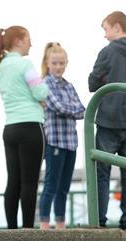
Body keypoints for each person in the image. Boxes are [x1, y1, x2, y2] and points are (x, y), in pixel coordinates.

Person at [88, 11, 126, 238]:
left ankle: (100, 224)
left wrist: (107, 80)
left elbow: (93, 82)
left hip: (109, 120)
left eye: (105, 29)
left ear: (116, 27)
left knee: (102, 173)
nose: (104, 35)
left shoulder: (108, 51)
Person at [0, 26, 48, 229]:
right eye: (29, 39)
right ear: (19, 41)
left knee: (13, 180)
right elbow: (40, 92)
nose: (31, 43)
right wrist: (42, 94)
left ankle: (11, 231)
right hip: (31, 126)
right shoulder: (25, 64)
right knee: (29, 182)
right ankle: (28, 231)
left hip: (10, 128)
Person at [38, 43, 85, 230]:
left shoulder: (69, 86)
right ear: (48, 63)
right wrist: (70, 110)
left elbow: (82, 111)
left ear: (66, 63)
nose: (58, 67)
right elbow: (58, 107)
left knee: (64, 187)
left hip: (71, 143)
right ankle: (44, 224)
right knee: (50, 184)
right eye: (55, 63)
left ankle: (60, 224)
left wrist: (69, 110)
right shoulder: (44, 84)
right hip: (54, 141)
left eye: (61, 63)